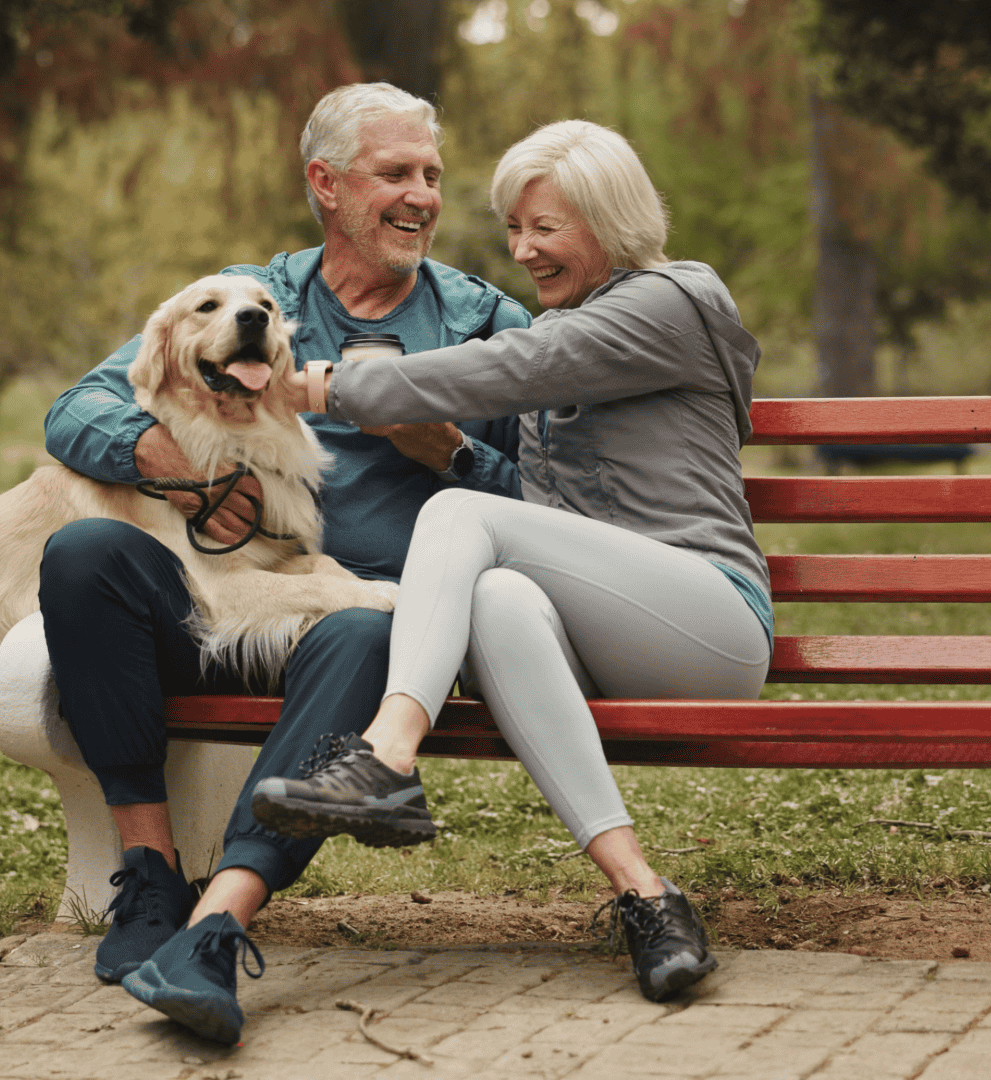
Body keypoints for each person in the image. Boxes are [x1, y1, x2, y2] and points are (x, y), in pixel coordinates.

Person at [36, 83, 531, 1044]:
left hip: (364, 625)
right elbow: (76, 410)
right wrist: (166, 460)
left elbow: (558, 501)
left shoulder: (481, 322)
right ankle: (145, 879)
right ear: (327, 185)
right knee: (86, 552)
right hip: (221, 596)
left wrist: (459, 457)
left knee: (358, 627)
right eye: (396, 174)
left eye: (431, 175)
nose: (423, 196)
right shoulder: (248, 298)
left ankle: (216, 925)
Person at [252, 119, 774, 1003]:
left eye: (546, 227)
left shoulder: (671, 302)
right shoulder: (570, 326)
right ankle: (647, 897)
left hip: (711, 623)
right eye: (513, 229)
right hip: (612, 629)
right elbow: (544, 512)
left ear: (610, 218)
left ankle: (387, 752)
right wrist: (456, 458)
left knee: (464, 520)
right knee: (494, 594)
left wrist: (321, 386)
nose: (523, 250)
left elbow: (512, 366)